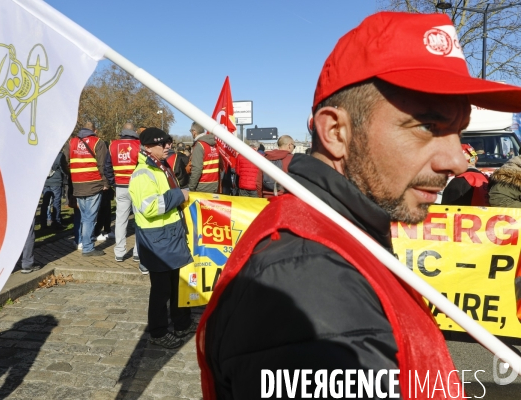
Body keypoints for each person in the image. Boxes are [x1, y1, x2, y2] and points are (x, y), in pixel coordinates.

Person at [197, 12, 521, 399]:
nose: (457, 160)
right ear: (335, 132)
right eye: (428, 127)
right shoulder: (308, 283)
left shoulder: (341, 232)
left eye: (459, 131)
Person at [129, 128, 197, 348]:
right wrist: (179, 195)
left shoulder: (160, 166)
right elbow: (149, 207)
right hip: (157, 240)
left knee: (179, 284)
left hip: (171, 236)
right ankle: (158, 333)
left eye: (168, 142)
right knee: (161, 291)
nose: (168, 146)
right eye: (162, 144)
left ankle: (182, 323)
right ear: (148, 147)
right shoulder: (142, 173)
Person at [64, 121, 112, 257]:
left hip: (78, 184)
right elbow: (102, 165)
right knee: (89, 217)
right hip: (93, 184)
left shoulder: (71, 142)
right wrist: (105, 183)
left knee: (85, 217)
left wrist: (72, 175)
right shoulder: (98, 142)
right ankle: (88, 248)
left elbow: (64, 161)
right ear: (94, 130)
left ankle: (85, 243)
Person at [109, 123, 140, 262]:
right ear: (134, 131)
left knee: (121, 219)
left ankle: (119, 252)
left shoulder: (113, 145)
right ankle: (137, 252)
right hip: (137, 186)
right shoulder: (139, 145)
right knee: (140, 219)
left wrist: (113, 183)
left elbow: (107, 167)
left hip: (120, 186)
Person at [40, 150, 69, 230]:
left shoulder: (45, 154)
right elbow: (63, 168)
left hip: (46, 181)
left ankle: (43, 223)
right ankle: (57, 223)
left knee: (45, 203)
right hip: (56, 181)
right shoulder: (59, 155)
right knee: (56, 203)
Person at [188, 122, 219, 193]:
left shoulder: (199, 145)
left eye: (191, 131)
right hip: (214, 184)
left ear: (194, 132)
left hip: (202, 185)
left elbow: (197, 168)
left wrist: (191, 187)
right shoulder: (214, 144)